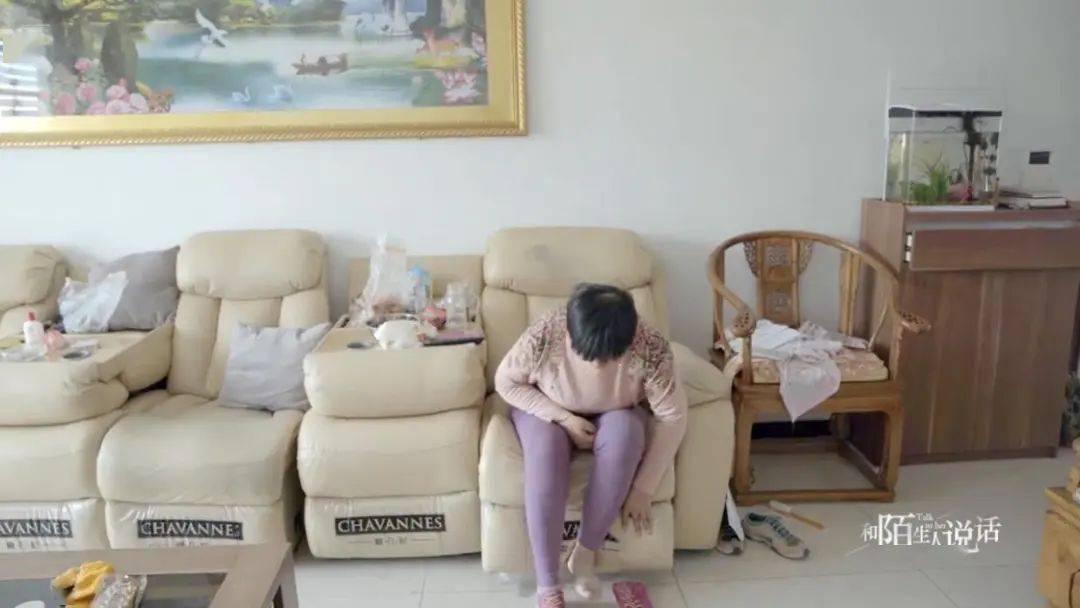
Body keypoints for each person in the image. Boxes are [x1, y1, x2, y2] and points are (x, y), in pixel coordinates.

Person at [495, 283, 688, 608]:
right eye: (589, 355)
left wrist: (643, 488)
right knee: (545, 453)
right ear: (570, 333)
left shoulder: (651, 347)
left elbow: (673, 416)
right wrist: (563, 419)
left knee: (625, 437)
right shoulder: (546, 332)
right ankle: (548, 584)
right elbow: (506, 382)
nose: (598, 366)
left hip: (617, 410)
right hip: (548, 407)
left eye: (609, 357)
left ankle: (585, 552)